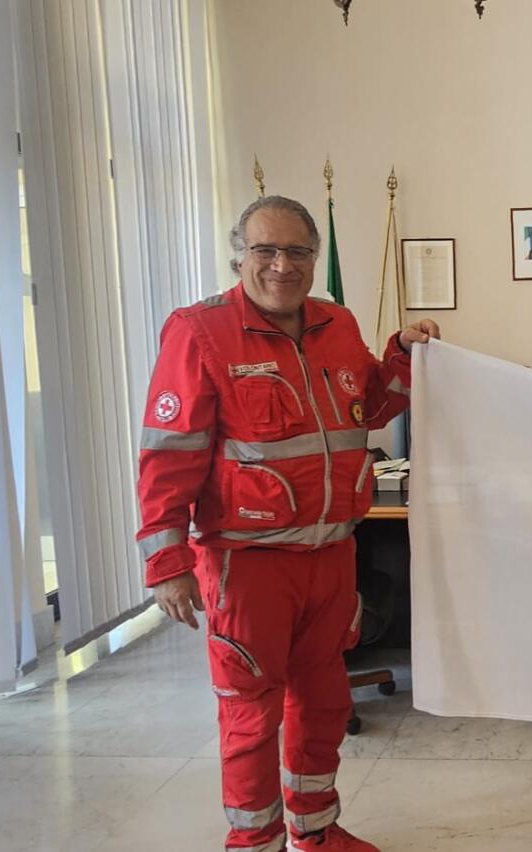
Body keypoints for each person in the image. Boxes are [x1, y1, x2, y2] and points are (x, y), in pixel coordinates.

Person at [136, 195, 440, 852]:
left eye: (298, 251)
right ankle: (256, 843)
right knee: (251, 717)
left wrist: (405, 354)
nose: (282, 265)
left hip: (331, 557)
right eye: (265, 250)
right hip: (247, 566)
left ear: (314, 257)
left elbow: (373, 404)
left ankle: (315, 831)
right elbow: (168, 453)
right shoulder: (198, 332)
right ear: (238, 255)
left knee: (325, 704)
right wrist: (166, 562)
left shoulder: (336, 322)